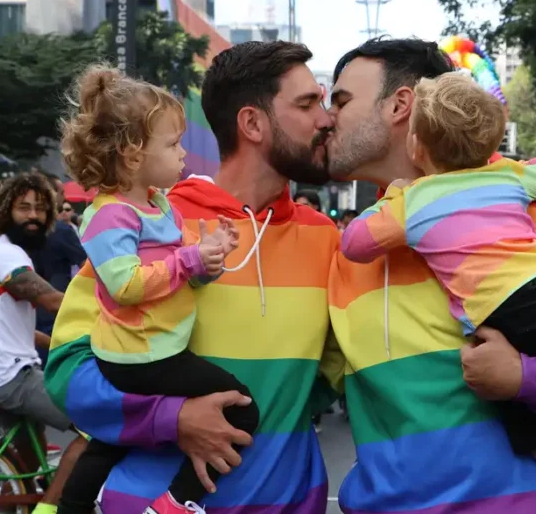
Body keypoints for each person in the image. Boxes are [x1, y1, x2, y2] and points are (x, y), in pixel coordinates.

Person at [323, 38, 536, 513]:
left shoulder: (527, 206)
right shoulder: (355, 247)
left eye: (340, 100)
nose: (326, 117)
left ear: (401, 106)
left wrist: (527, 377)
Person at [43, 41, 342, 513]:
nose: (326, 119)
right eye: (308, 104)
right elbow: (69, 366)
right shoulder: (145, 222)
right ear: (252, 123)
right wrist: (172, 417)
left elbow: (325, 377)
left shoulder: (328, 239)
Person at [55, 66, 254, 514]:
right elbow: (125, 285)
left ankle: (73, 505)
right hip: (140, 355)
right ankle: (178, 503)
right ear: (132, 154)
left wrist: (211, 259)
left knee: (109, 441)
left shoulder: (158, 206)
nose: (184, 154)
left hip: (154, 347)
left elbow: (182, 278)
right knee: (242, 408)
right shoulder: (110, 216)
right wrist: (191, 259)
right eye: (173, 144)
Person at [0, 172, 88, 514]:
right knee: (96, 427)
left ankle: (20, 503)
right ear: (6, 211)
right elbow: (48, 299)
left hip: (1, 371)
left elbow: (12, 327)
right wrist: (108, 313)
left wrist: (57, 342)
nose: (33, 215)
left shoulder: (7, 253)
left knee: (26, 464)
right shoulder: (6, 255)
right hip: (10, 377)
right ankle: (49, 510)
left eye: (39, 208)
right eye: (23, 208)